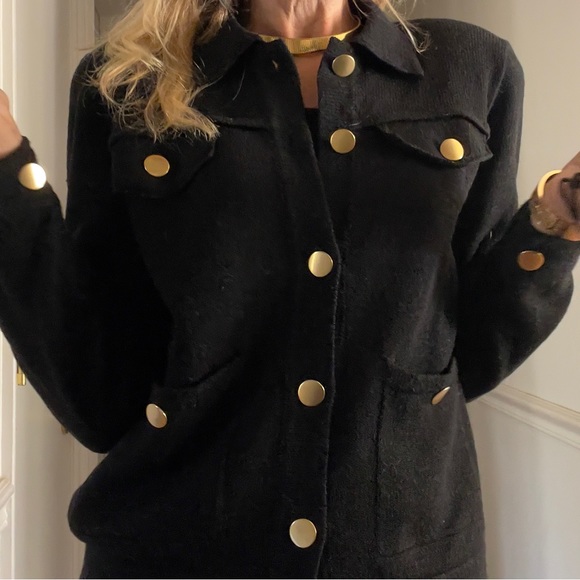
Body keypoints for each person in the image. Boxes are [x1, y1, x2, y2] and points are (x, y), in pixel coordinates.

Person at [0, 0, 579, 577]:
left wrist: (556, 220)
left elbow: (466, 352)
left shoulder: (474, 67)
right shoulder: (128, 78)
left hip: (407, 558)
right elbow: (98, 399)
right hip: (174, 553)